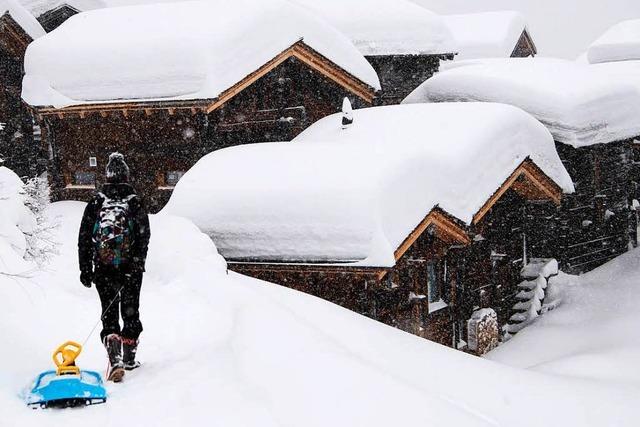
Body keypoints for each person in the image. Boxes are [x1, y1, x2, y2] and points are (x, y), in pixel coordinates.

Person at [78, 152, 150, 382]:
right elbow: (143, 236)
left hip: (103, 267)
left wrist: (85, 268)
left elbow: (84, 237)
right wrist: (137, 264)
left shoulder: (97, 202)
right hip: (130, 268)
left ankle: (115, 359)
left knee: (109, 312)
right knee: (130, 310)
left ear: (107, 176)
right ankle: (129, 358)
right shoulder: (134, 202)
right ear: (126, 175)